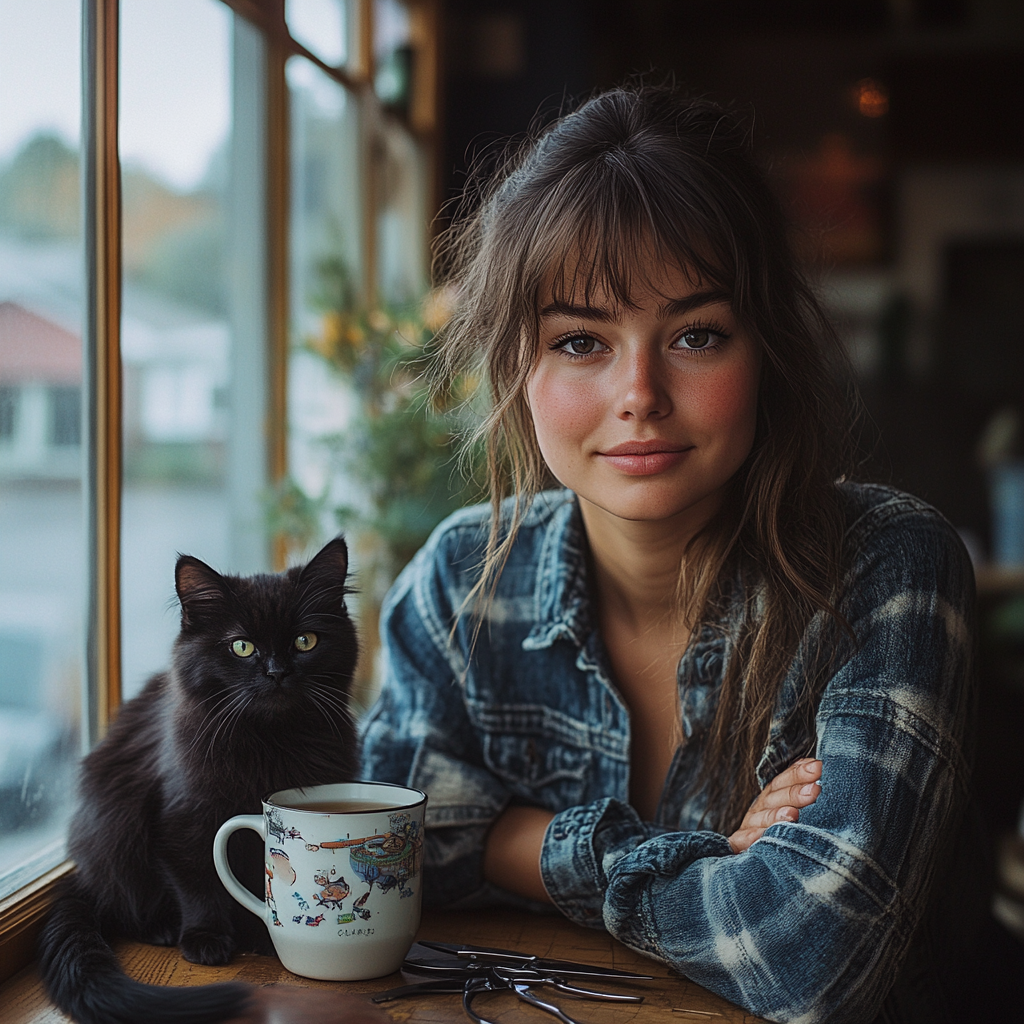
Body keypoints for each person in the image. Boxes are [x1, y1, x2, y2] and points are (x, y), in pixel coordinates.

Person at [359, 84, 983, 1024]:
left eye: (696, 334)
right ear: (514, 370)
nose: (640, 393)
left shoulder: (887, 568)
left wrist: (511, 844)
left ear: (765, 347)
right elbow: (379, 849)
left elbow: (809, 957)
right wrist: (685, 860)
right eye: (580, 341)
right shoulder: (460, 583)